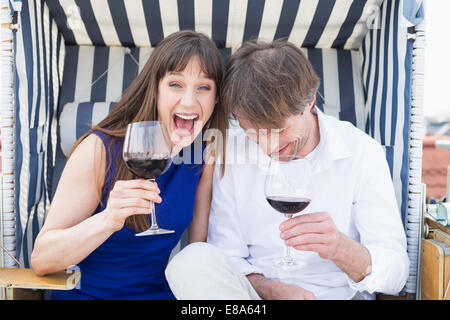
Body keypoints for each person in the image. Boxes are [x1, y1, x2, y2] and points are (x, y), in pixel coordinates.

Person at [165, 39, 410, 300]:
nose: (268, 147)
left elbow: (396, 273)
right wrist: (274, 291)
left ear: (310, 101)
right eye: (253, 134)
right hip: (254, 299)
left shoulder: (361, 152)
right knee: (189, 261)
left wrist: (341, 248)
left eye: (279, 129)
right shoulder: (232, 154)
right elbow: (227, 255)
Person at [30, 30, 227, 300]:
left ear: (215, 99)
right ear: (155, 88)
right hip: (88, 295)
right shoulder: (98, 150)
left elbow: (198, 254)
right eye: (175, 84)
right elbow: (42, 259)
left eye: (204, 87)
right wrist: (108, 220)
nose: (190, 101)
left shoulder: (204, 156)